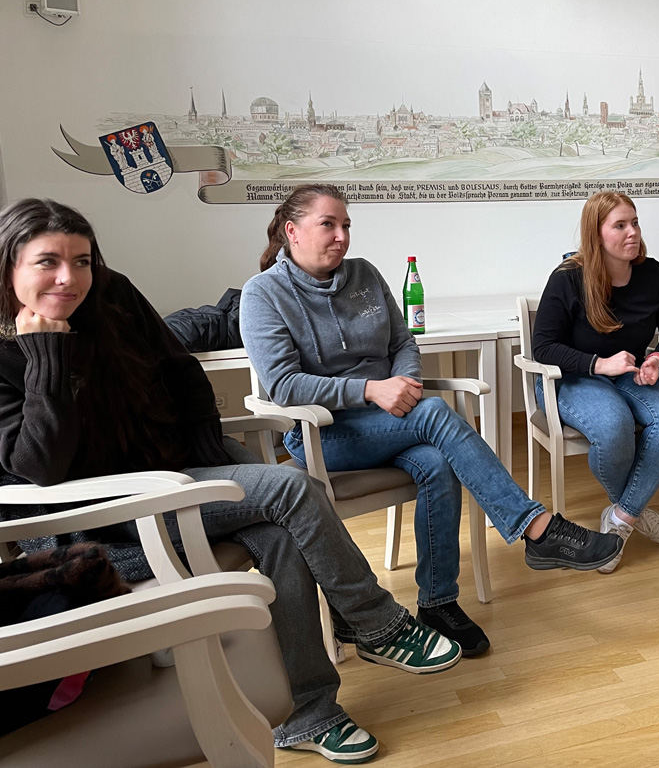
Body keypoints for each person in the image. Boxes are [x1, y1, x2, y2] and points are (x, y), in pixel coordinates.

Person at [0, 198, 462, 763]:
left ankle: (308, 714)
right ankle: (375, 623)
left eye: (82, 261)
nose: (69, 278)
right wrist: (46, 354)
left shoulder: (110, 294)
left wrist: (206, 454)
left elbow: (181, 372)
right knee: (291, 488)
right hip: (98, 517)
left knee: (281, 532)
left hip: (173, 473)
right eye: (47, 262)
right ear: (9, 267)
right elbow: (40, 468)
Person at [241, 185, 621, 654]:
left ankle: (438, 603)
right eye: (328, 225)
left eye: (346, 225)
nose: (341, 236)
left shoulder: (364, 274)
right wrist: (371, 390)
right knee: (436, 412)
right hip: (325, 434)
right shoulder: (263, 294)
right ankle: (536, 528)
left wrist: (403, 385)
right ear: (292, 231)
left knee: (436, 463)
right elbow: (284, 386)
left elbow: (403, 342)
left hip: (395, 419)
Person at [532, 191, 659, 573]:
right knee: (614, 424)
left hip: (632, 372)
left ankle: (621, 518)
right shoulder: (568, 278)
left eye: (634, 223)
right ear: (596, 233)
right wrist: (599, 364)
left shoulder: (654, 274)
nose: (632, 232)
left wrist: (656, 358)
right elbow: (543, 347)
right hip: (572, 377)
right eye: (620, 225)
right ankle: (636, 508)